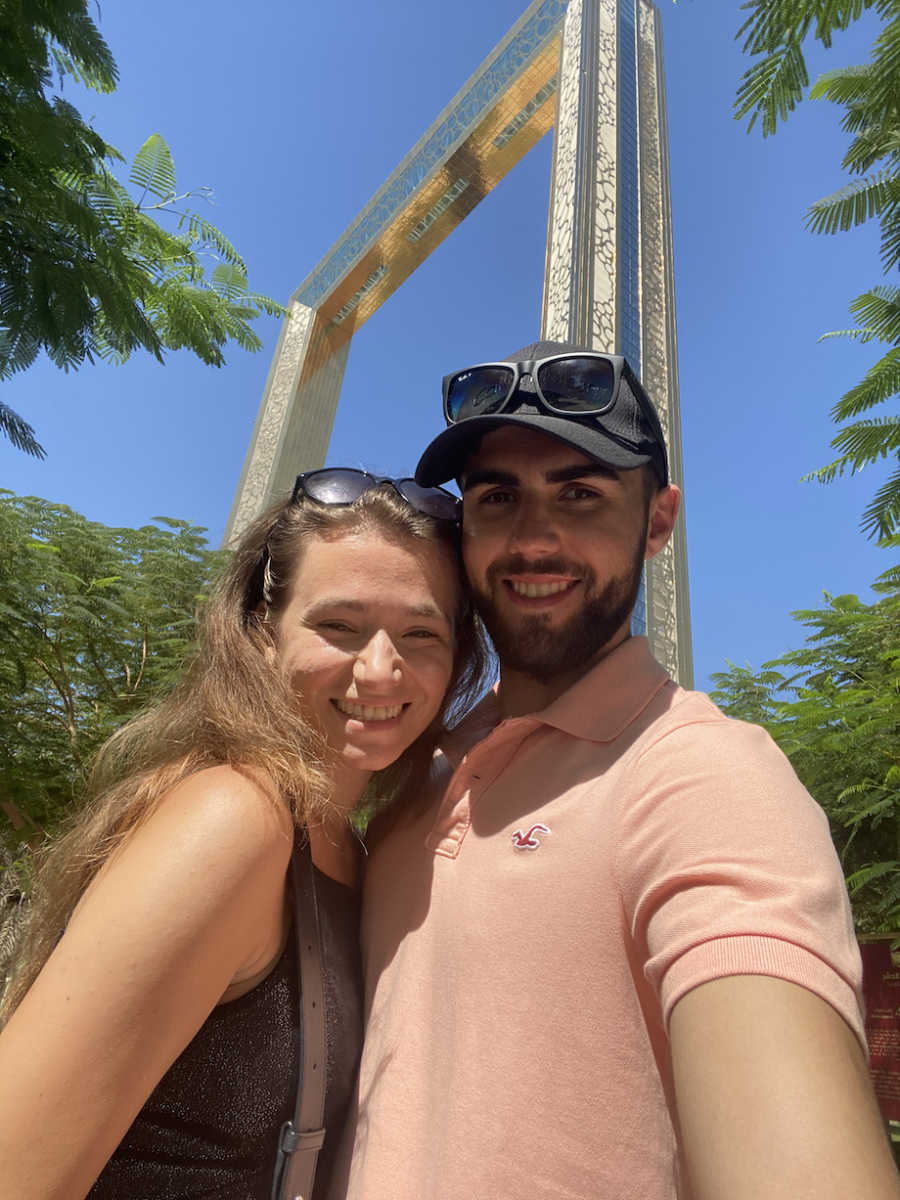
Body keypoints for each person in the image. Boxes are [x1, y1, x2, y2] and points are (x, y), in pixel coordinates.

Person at [342, 344, 900, 1200]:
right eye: (498, 498)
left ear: (658, 520)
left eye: (581, 493)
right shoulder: (413, 772)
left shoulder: (702, 774)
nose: (534, 540)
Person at [0, 469, 490, 1200]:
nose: (381, 670)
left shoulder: (355, 850)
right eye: (339, 626)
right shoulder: (236, 821)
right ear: (262, 634)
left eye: (421, 632)